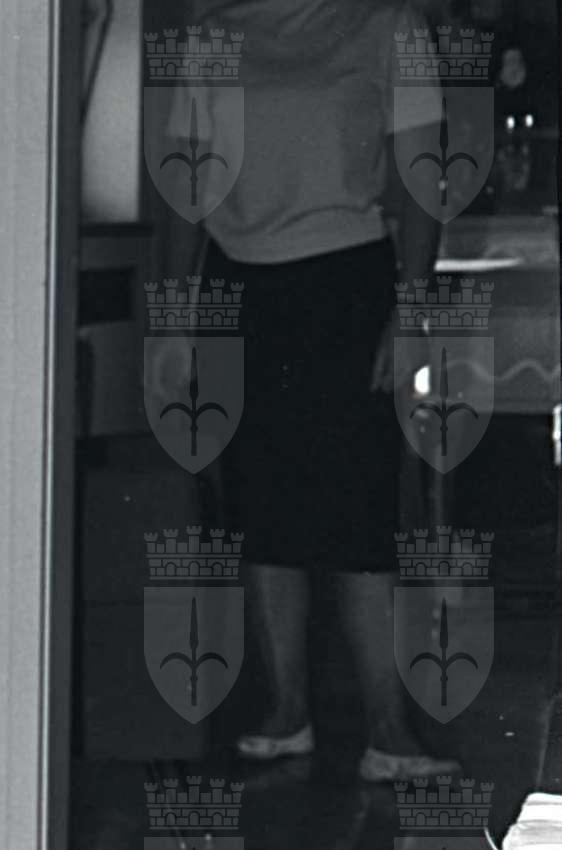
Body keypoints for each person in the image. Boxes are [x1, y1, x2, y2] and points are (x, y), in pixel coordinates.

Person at [160, 0, 459, 781]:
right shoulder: (213, 33)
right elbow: (186, 183)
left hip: (346, 282)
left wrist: (412, 309)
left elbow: (422, 176)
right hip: (241, 283)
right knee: (260, 504)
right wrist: (177, 315)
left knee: (360, 503)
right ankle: (286, 709)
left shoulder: (386, 26)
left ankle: (389, 727)